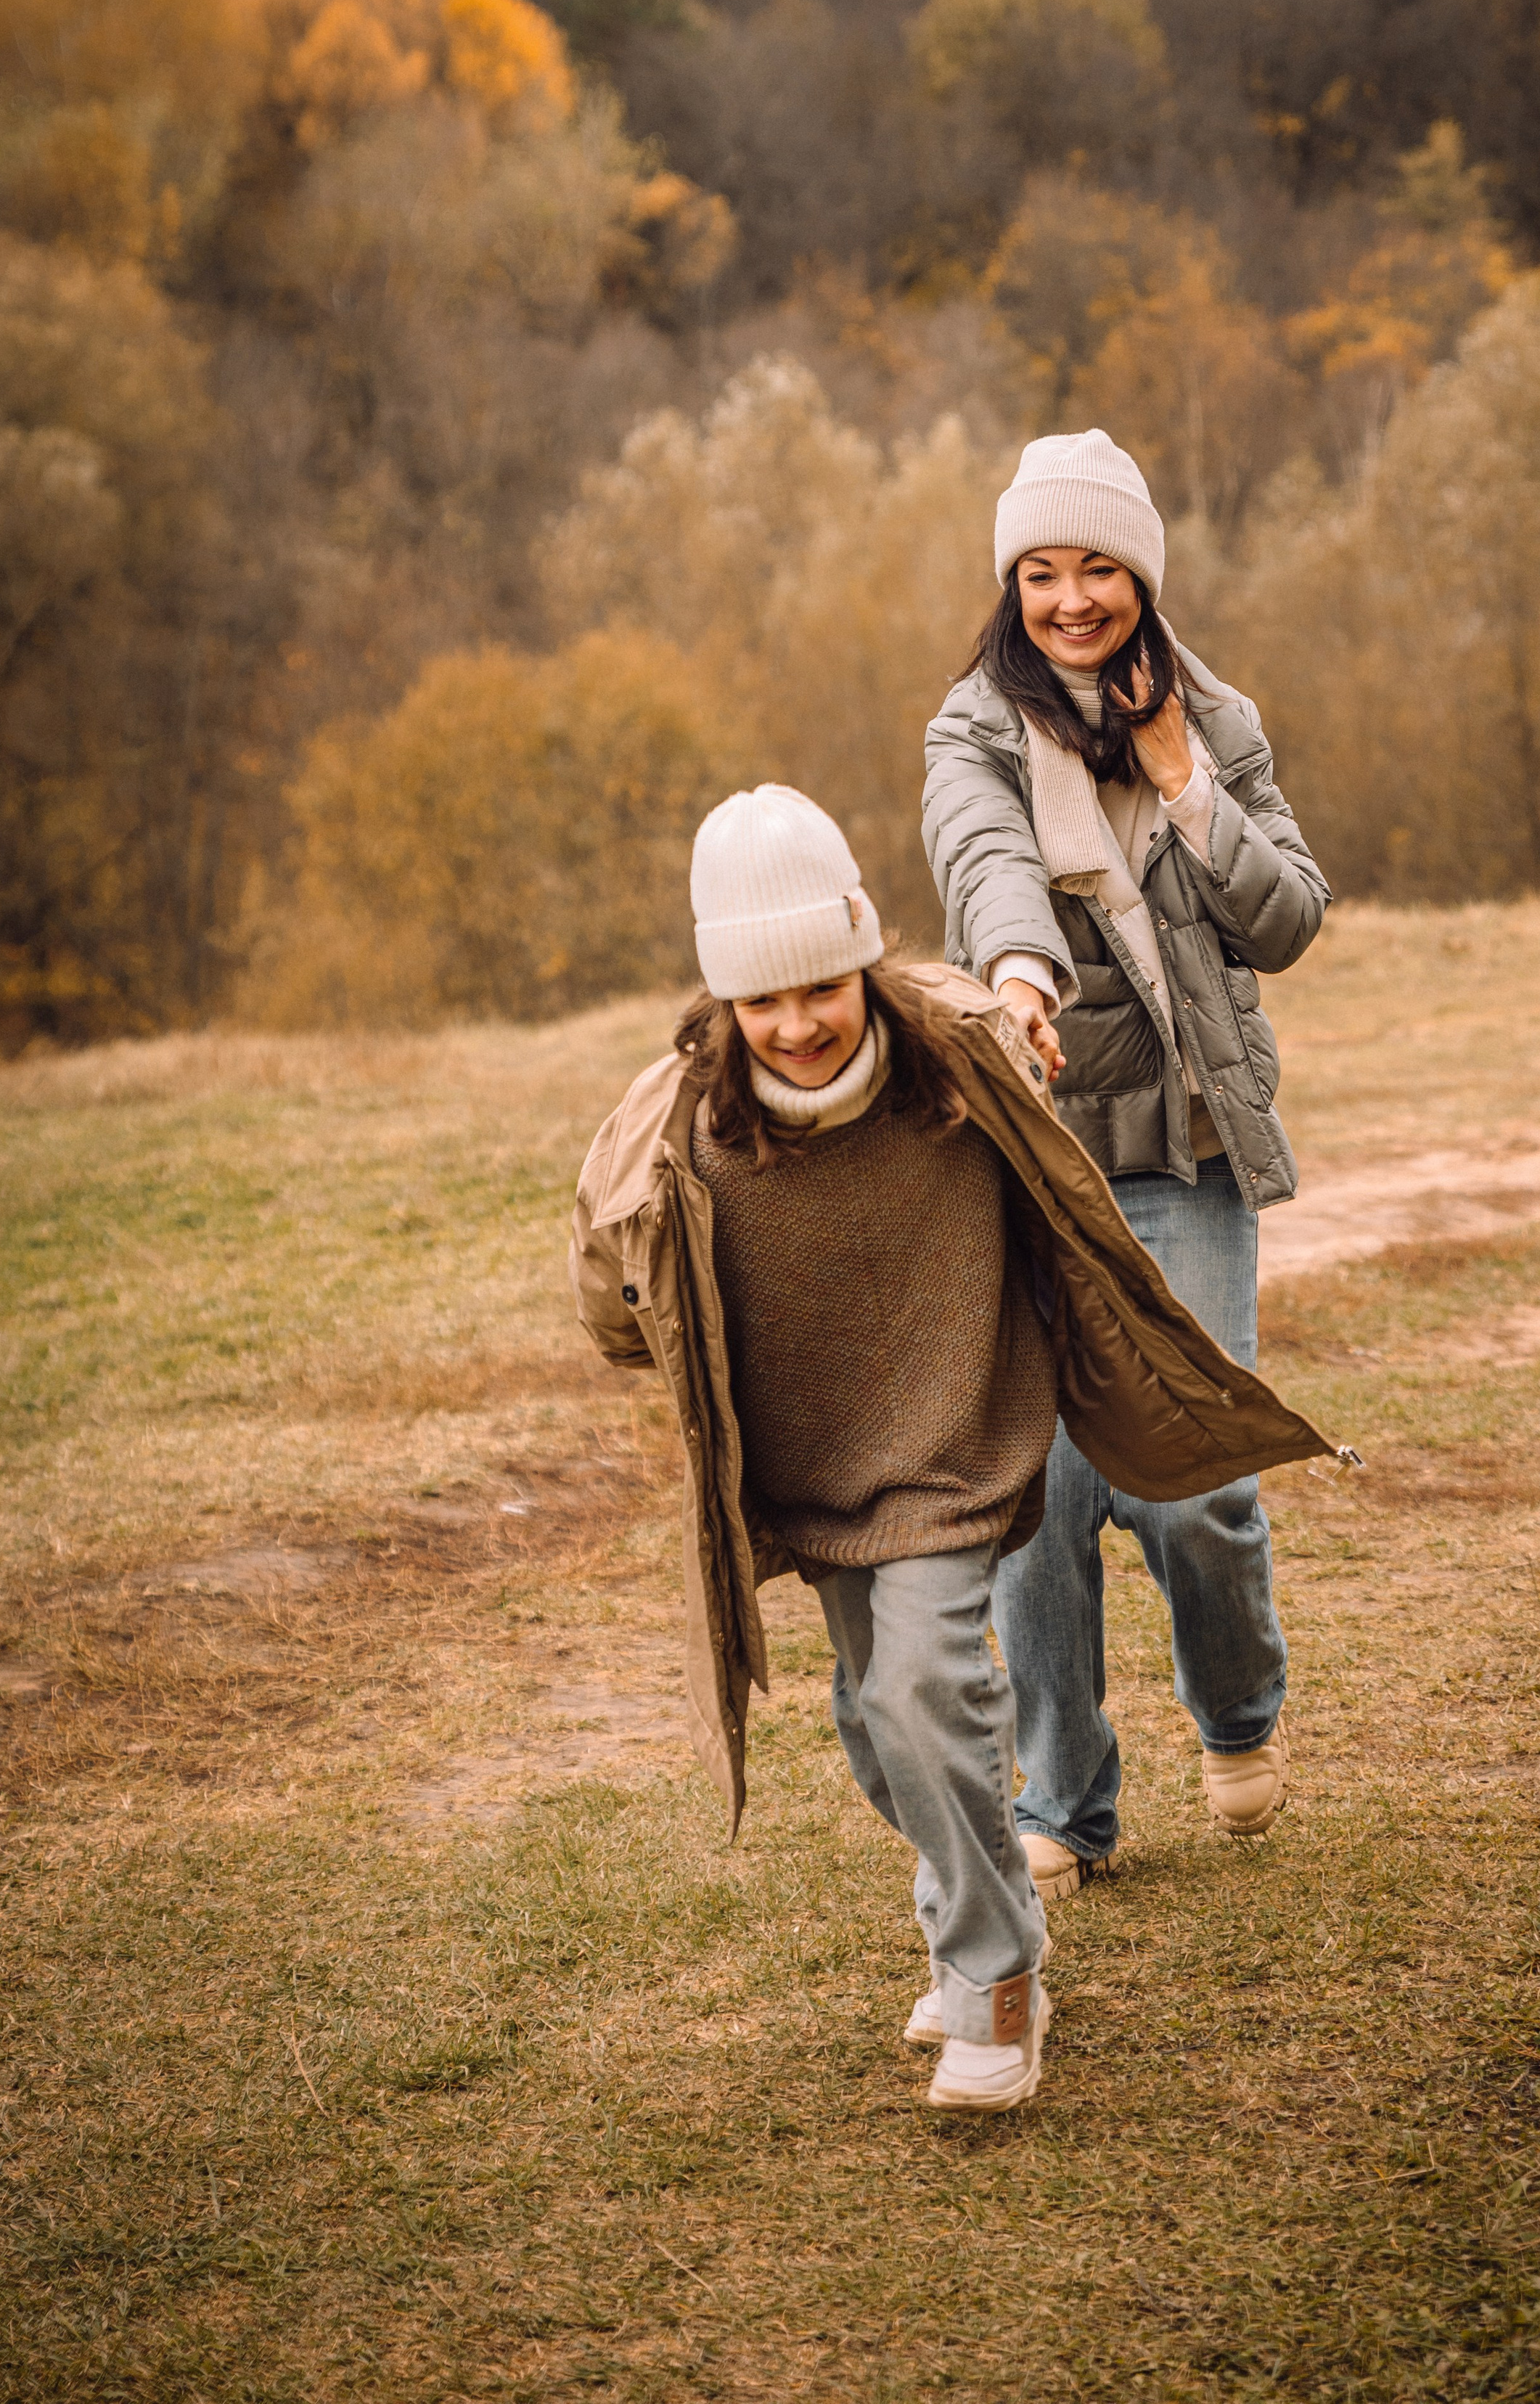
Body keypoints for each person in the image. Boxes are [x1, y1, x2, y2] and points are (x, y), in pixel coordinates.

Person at [571, 785, 1334, 2110]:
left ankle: (997, 1980)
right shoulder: (672, 1127)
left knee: (931, 1686)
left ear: (865, 950)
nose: (800, 1023)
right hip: (809, 1480)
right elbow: (609, 1286)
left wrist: (1035, 991)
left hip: (955, 1447)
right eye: (765, 1000)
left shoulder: (959, 1058)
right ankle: (966, 1904)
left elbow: (1023, 997)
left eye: (824, 982)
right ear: (720, 1000)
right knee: (879, 1725)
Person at [922, 428, 1330, 1902]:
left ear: (1139, 573)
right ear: (1010, 581)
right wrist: (1015, 968)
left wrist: (1181, 781)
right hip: (1036, 1161)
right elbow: (983, 856)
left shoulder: (1211, 715)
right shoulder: (971, 725)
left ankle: (1236, 1709)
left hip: (1188, 1157)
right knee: (1035, 1499)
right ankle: (1063, 1801)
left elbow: (1284, 919)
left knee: (1190, 1476)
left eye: (1096, 564)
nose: (1069, 595)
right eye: (1039, 569)